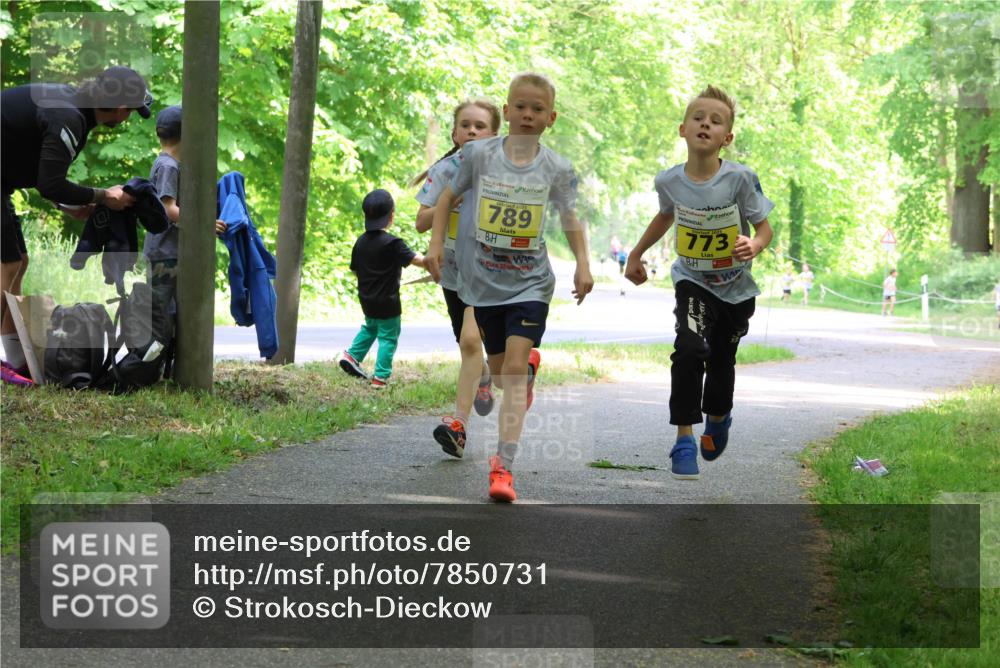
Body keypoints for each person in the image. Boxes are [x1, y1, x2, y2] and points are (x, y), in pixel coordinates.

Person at [425, 72, 594, 502]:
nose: (527, 114)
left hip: (531, 284)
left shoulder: (557, 168)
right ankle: (526, 367)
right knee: (501, 375)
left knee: (513, 373)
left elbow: (571, 218)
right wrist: (435, 246)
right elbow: (445, 199)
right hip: (484, 285)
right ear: (507, 110)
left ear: (551, 118)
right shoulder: (479, 155)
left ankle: (503, 466)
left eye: (537, 109)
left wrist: (582, 264)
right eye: (520, 106)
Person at [625, 85, 773, 480]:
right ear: (683, 129)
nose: (706, 124)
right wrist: (636, 254)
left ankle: (719, 418)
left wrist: (755, 244)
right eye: (698, 118)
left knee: (722, 360)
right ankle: (684, 438)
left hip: (735, 289)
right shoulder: (670, 181)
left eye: (716, 120)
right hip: (693, 281)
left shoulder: (740, 179)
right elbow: (665, 216)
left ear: (728, 137)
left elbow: (764, 227)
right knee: (690, 349)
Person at [1, 66, 153, 372]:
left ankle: (16, 361)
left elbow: (42, 174)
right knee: (8, 264)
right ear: (121, 108)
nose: (128, 117)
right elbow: (50, 183)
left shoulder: (73, 108)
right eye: (131, 111)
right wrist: (103, 195)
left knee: (20, 261)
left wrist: (65, 204)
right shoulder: (69, 116)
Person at [412, 99, 502, 458]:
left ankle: (458, 427)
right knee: (468, 347)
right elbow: (421, 222)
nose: (472, 132)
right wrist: (450, 202)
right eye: (466, 125)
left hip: (489, 270)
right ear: (454, 133)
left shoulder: (506, 171)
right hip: (452, 272)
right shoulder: (445, 170)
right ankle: (484, 376)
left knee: (469, 340)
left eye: (480, 126)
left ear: (494, 135)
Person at [142, 105, 227, 317]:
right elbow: (167, 208)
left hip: (167, 253)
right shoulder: (168, 166)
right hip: (164, 255)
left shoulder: (167, 163)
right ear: (186, 134)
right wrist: (204, 224)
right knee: (160, 316)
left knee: (170, 313)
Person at [338, 190, 427, 388]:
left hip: (367, 299)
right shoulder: (393, 243)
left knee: (370, 328)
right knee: (388, 337)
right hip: (388, 302)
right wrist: (434, 261)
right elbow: (416, 260)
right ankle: (380, 377)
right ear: (391, 216)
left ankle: (352, 355)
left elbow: (355, 270)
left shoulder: (360, 242)